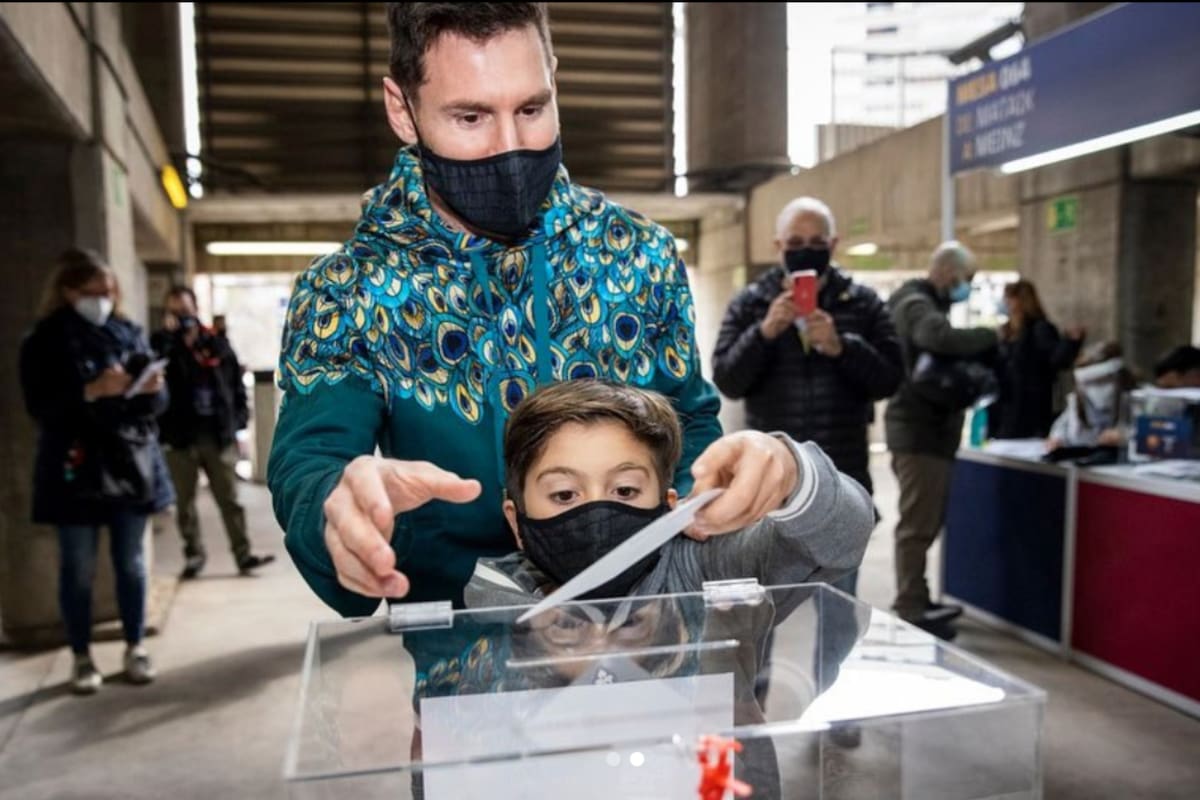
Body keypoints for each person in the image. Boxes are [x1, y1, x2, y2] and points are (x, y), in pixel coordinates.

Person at [268, 3, 800, 616]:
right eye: (470, 116)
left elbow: (688, 420)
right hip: (463, 650)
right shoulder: (346, 291)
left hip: (649, 624)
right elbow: (311, 461)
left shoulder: (640, 253)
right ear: (402, 110)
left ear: (555, 80)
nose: (511, 148)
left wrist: (724, 484)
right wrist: (336, 509)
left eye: (531, 108)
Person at [463, 380, 874, 608]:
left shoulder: (709, 571)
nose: (596, 511)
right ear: (516, 521)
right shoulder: (495, 600)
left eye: (624, 489)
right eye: (565, 494)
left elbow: (844, 537)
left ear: (668, 507)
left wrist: (793, 473)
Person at [711, 196, 902, 596]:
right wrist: (763, 333)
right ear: (777, 246)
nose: (806, 251)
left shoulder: (863, 303)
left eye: (816, 241)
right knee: (766, 612)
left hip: (842, 478)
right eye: (795, 243)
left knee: (837, 607)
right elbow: (727, 379)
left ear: (833, 245)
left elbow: (889, 379)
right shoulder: (751, 303)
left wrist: (842, 347)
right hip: (769, 483)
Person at [18, 249, 174, 694]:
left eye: (109, 292)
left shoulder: (127, 332)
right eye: (94, 293)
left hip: (130, 463)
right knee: (78, 568)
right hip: (75, 469)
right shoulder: (44, 340)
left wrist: (153, 389)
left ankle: (135, 646)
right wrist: (90, 391)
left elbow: (153, 407)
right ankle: (82, 656)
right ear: (68, 291)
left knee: (132, 564)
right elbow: (39, 406)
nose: (104, 300)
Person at [884, 241, 997, 639]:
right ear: (948, 274)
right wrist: (989, 335)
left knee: (924, 521)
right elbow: (938, 337)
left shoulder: (920, 301)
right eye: (967, 280)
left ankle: (919, 597)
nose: (966, 287)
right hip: (918, 432)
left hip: (926, 431)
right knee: (917, 524)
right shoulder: (916, 305)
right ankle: (911, 605)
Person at [153, 286, 272, 579]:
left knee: (230, 499)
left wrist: (239, 420)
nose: (183, 316)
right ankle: (194, 555)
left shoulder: (216, 343)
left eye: (186, 310)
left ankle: (243, 555)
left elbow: (233, 383)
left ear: (196, 309)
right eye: (176, 311)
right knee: (185, 503)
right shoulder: (161, 345)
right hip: (180, 438)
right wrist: (173, 341)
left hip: (216, 434)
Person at [990, 279, 1085, 439]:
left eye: (1010, 299)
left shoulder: (1039, 329)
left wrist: (1071, 343)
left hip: (1030, 408)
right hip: (1004, 406)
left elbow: (1056, 360)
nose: (1006, 303)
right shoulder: (1006, 331)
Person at [1047, 342, 1136, 450]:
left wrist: (1125, 437)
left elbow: (1150, 435)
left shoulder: (1136, 400)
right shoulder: (1078, 400)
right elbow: (1062, 426)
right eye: (1088, 383)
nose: (1096, 388)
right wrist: (1057, 438)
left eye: (1102, 381)